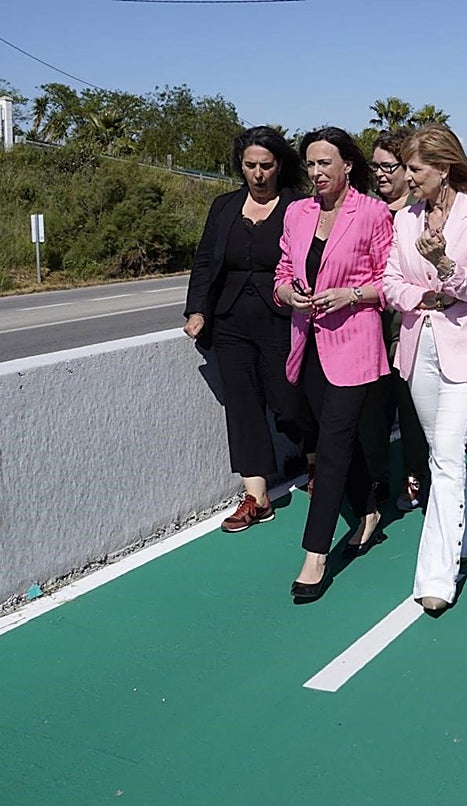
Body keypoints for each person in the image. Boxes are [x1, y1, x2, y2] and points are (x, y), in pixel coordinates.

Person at [383, 124, 467, 612]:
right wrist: (427, 296)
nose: (407, 178)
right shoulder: (404, 220)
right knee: (440, 450)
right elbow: (391, 283)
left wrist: (446, 265)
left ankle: (437, 574)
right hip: (419, 348)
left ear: (443, 168)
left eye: (415, 170)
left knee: (449, 453)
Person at [274, 127, 393, 601]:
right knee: (334, 436)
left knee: (330, 448)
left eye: (325, 163)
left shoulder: (373, 213)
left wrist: (353, 294)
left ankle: (315, 554)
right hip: (307, 345)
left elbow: (391, 282)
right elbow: (283, 272)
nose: (316, 172)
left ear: (348, 165)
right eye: (310, 163)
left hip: (355, 345)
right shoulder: (297, 213)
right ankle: (368, 510)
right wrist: (288, 294)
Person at [183, 126, 308, 534]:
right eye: (250, 165)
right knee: (242, 406)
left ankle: (313, 457)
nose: (257, 173)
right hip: (230, 321)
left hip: (283, 318)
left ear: (279, 165)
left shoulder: (298, 207)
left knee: (289, 400)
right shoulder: (224, 207)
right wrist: (197, 310)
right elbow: (205, 262)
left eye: (265, 165)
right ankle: (257, 496)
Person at [357, 128, 430, 513]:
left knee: (411, 409)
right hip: (367, 328)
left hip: (408, 325)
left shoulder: (422, 213)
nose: (381, 174)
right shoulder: (364, 211)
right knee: (371, 412)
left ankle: (415, 474)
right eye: (376, 166)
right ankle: (376, 477)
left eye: (389, 166)